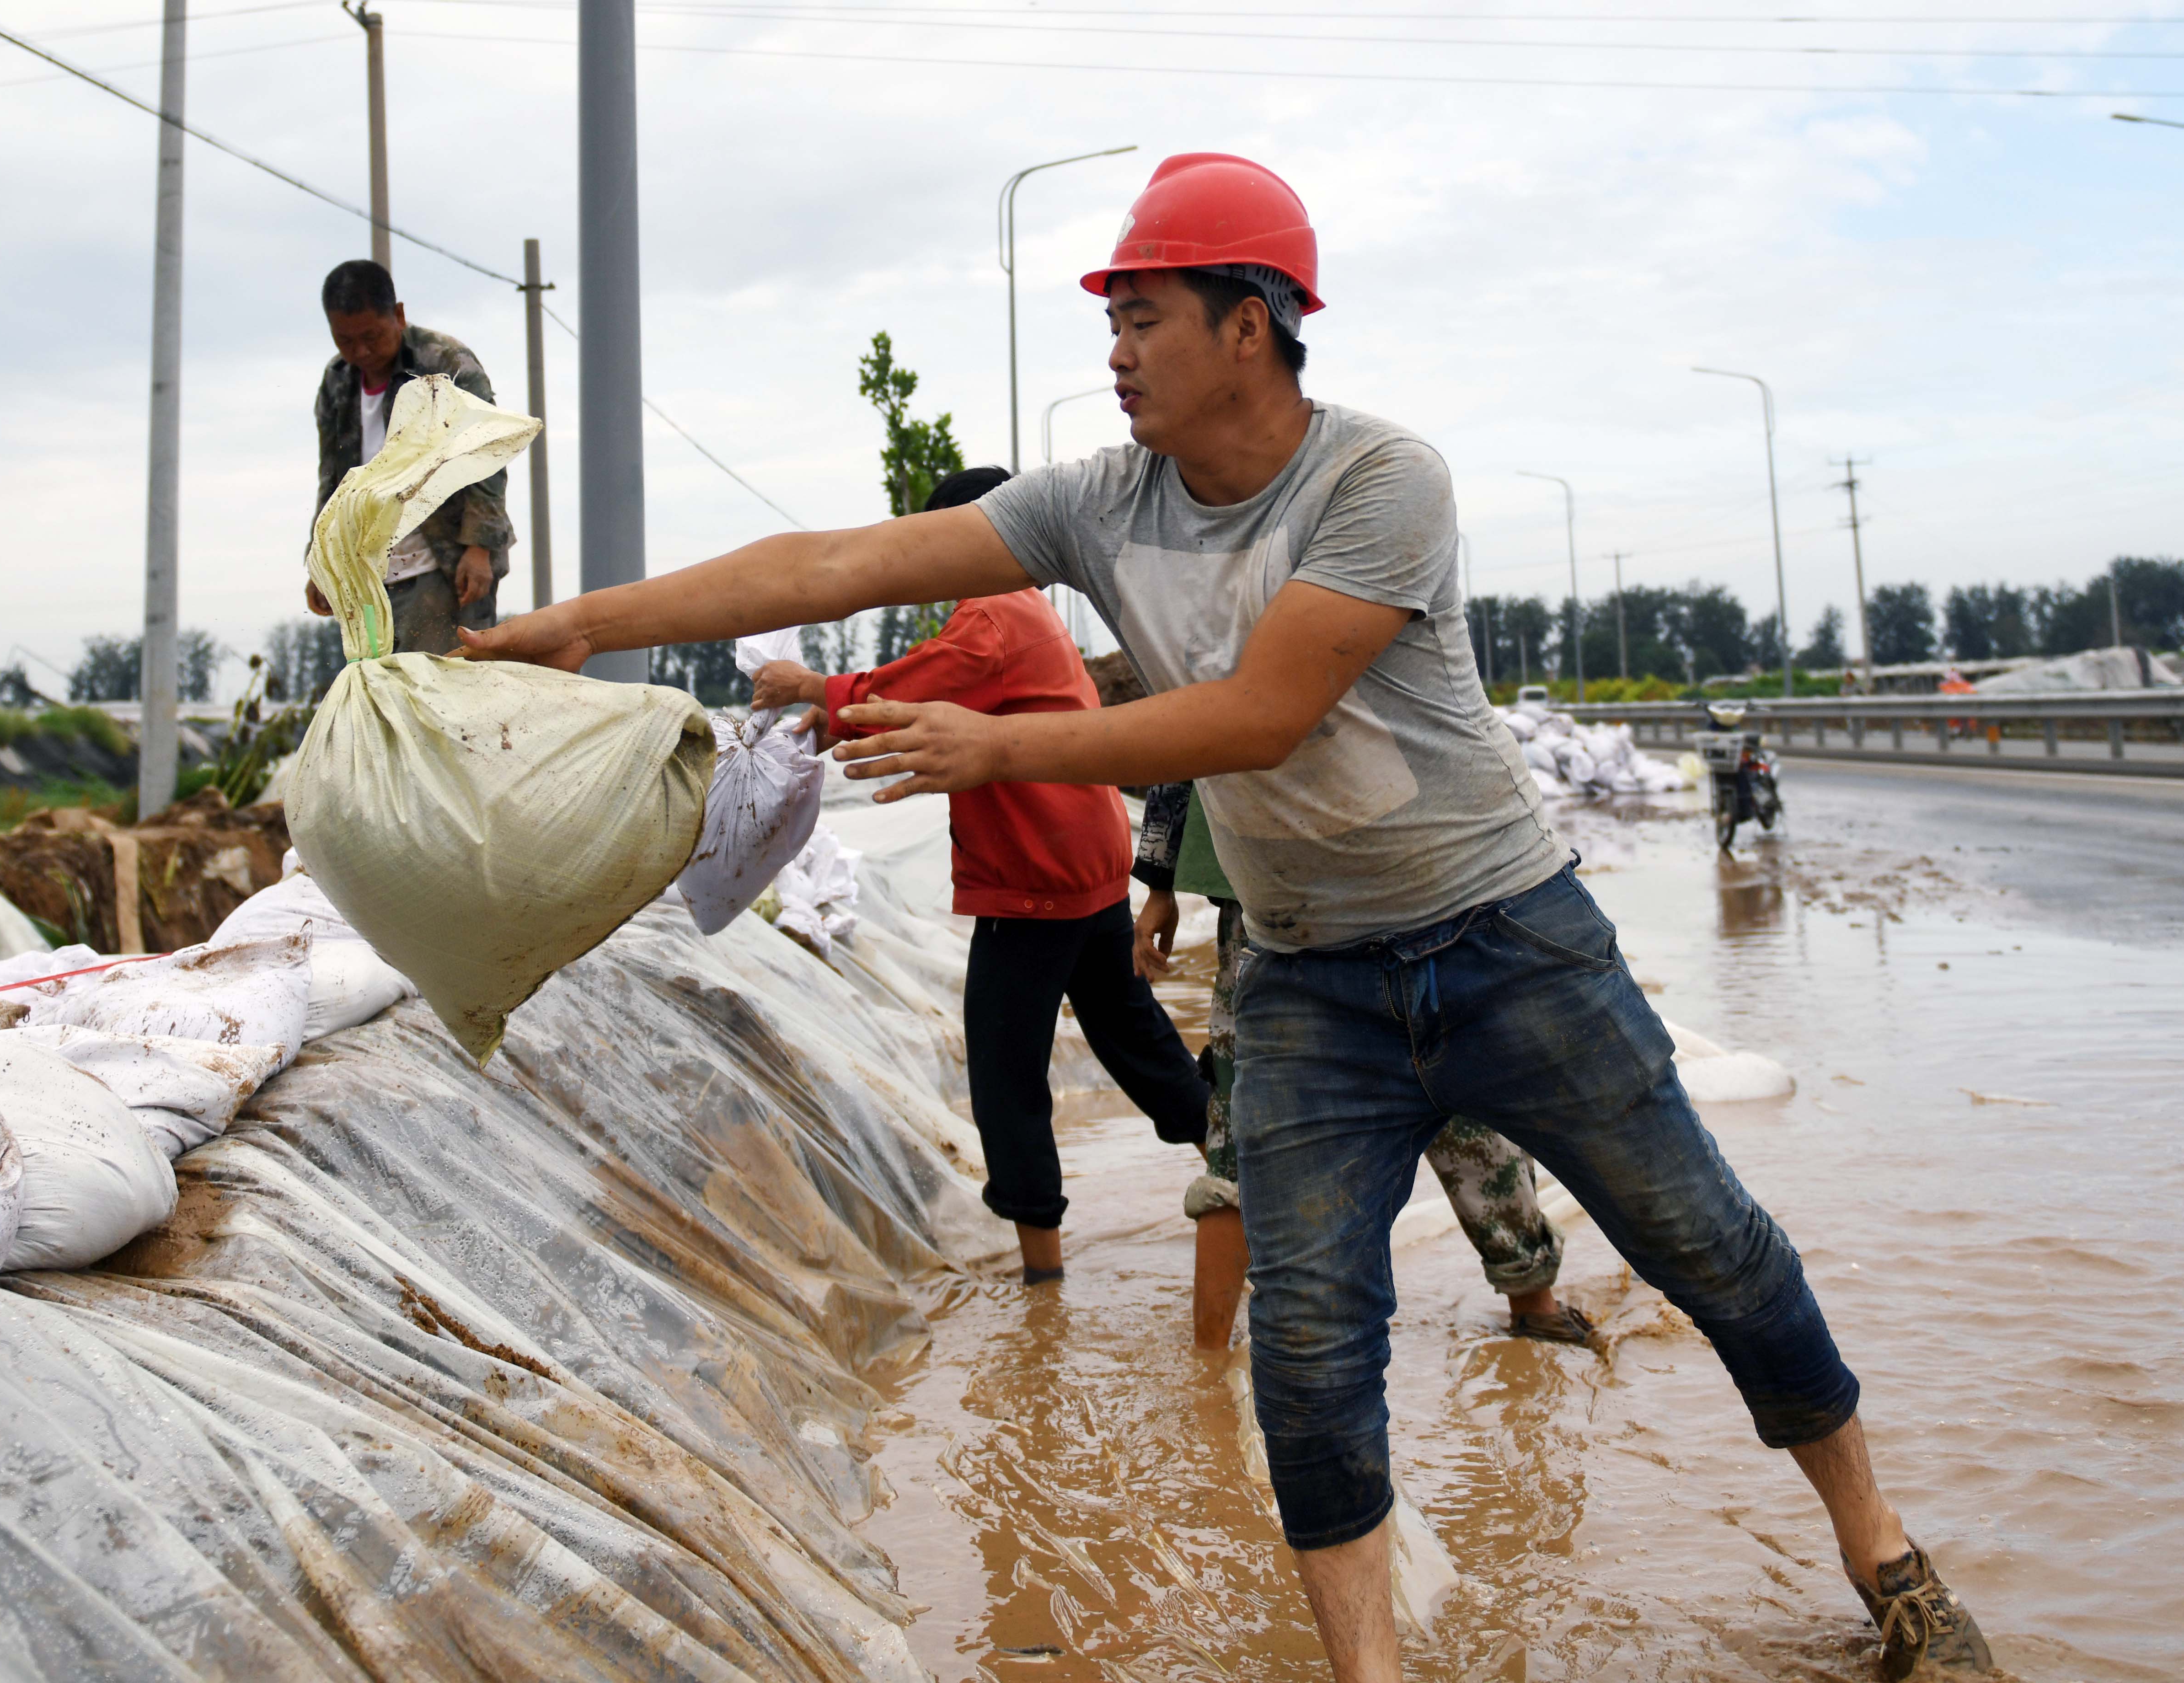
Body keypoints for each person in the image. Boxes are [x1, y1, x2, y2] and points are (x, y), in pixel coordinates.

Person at [459, 152, 1991, 1682]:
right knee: (1308, 1357)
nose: (1114, 351)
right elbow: (829, 560)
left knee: (1705, 1247)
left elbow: (1257, 716)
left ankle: (1882, 1559)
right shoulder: (1091, 506)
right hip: (1306, 980)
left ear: (1247, 322)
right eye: (1109, 319)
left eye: (1142, 316)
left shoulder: (1381, 482)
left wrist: (997, 748)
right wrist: (570, 628)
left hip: (1505, 940)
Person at [748, 464, 1212, 1286]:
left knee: (1004, 1074)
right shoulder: (1025, 614)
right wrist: (836, 714)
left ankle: (1042, 1281)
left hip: (1035, 879)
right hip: (1089, 866)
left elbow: (910, 686)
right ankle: (1242, 1167)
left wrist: (814, 686)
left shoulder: (990, 616)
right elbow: (923, 702)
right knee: (1134, 1042)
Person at [1131, 779, 1592, 1353]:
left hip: (1277, 886)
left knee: (1244, 1116)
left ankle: (1208, 1359)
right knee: (1452, 1084)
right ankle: (1533, 1305)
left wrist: (1158, 882)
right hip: (1381, 875)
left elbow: (1181, 732)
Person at [305, 259, 514, 654]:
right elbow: (332, 481)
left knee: (442, 694)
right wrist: (321, 565)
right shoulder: (337, 381)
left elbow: (488, 453)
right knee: (377, 693)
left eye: (372, 336)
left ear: (398, 316)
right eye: (346, 341)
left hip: (444, 564)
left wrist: (480, 549)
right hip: (367, 574)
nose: (361, 351)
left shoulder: (446, 365)